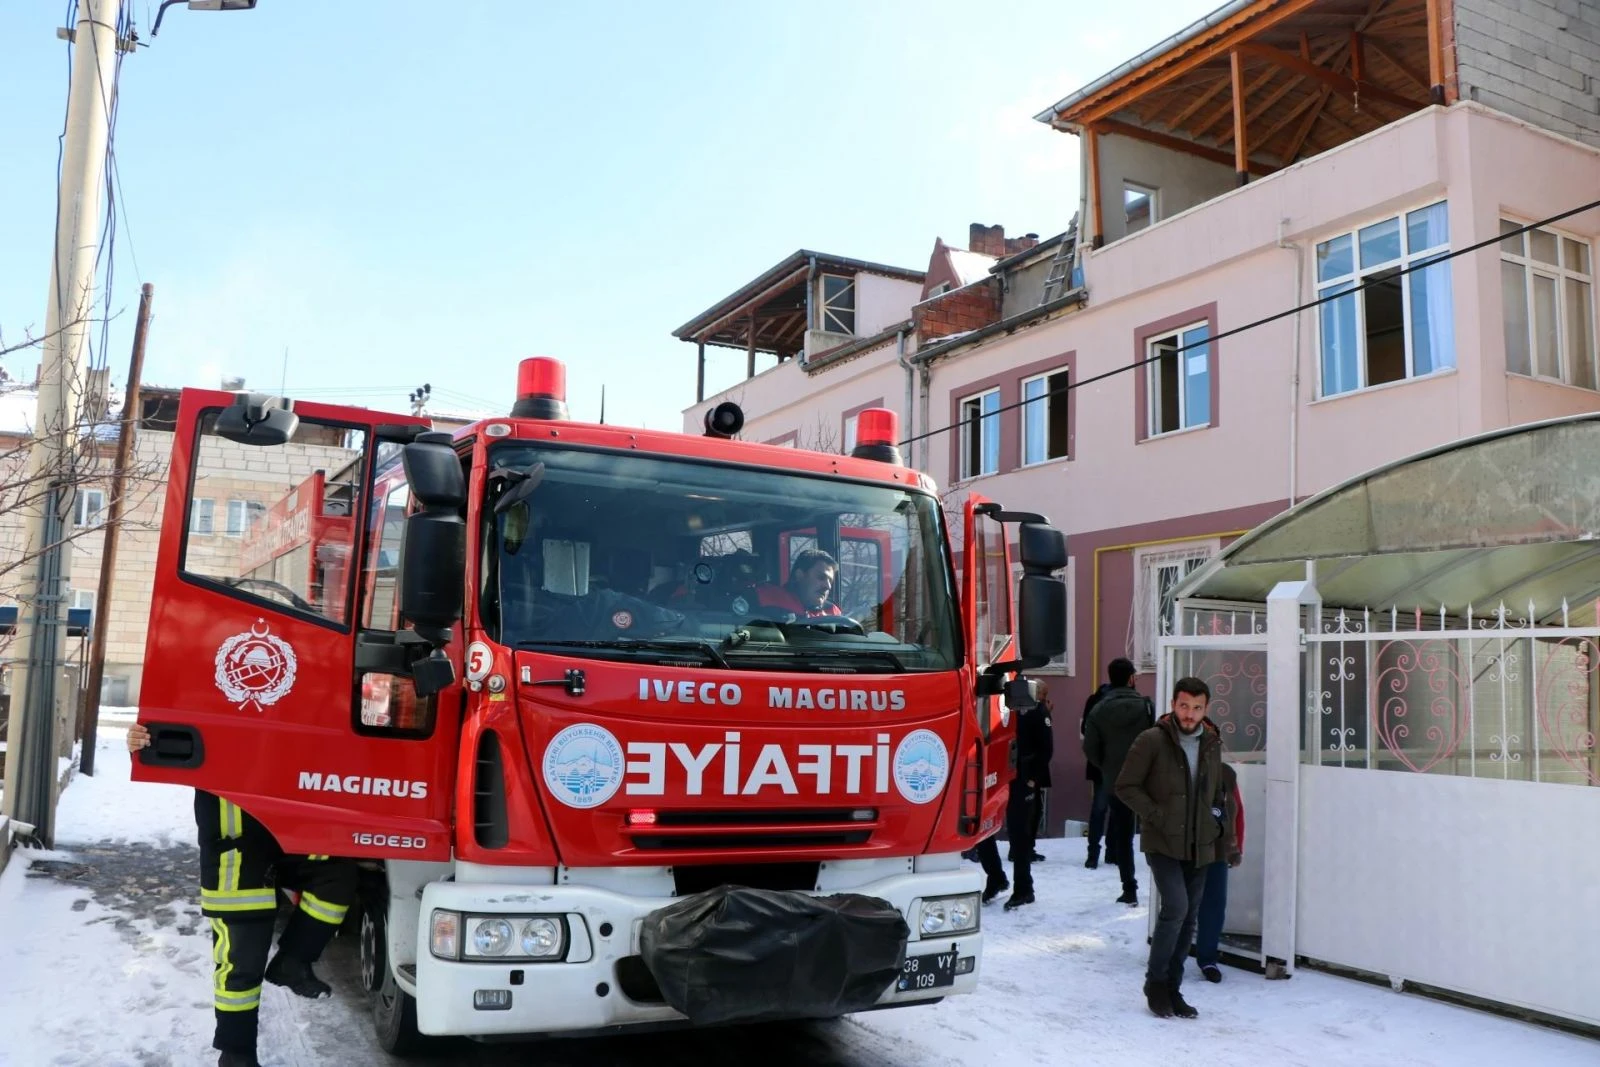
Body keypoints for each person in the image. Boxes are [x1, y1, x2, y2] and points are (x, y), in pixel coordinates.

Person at [128, 723, 358, 1067]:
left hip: (295, 829)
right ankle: (237, 1054)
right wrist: (140, 741)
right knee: (240, 959)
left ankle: (293, 961)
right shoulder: (209, 689)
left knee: (336, 877)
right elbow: (166, 725)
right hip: (233, 845)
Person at [1113, 677, 1234, 1021]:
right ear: (1173, 704)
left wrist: (1216, 818)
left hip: (1201, 843)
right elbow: (1125, 785)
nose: (1189, 714)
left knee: (1189, 917)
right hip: (1163, 840)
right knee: (1175, 908)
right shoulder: (1151, 740)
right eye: (1184, 706)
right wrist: (1156, 815)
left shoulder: (1211, 742)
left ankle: (1173, 988)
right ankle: (1155, 985)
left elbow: (1216, 790)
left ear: (1205, 708)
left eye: (1197, 707)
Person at [1082, 659, 1154, 905]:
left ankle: (1129, 887)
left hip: (1115, 781)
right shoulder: (1145, 707)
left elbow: (1089, 747)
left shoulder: (1099, 709)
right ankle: (1161, 890)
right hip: (1146, 781)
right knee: (1156, 832)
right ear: (1131, 678)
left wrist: (1107, 767)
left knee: (1123, 836)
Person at [1193, 752, 1244, 983]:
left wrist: (1235, 847)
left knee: (1214, 904)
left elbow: (1236, 813)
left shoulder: (1226, 774)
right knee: (1179, 904)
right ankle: (1169, 959)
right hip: (1183, 848)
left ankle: (1207, 958)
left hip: (1217, 849)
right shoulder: (1178, 771)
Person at [756, 548, 843, 619]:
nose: (828, 586)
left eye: (830, 581)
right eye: (821, 577)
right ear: (800, 575)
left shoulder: (832, 612)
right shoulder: (767, 599)